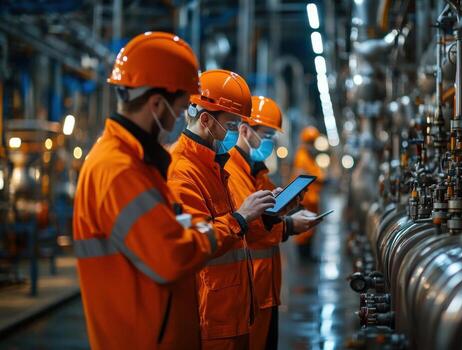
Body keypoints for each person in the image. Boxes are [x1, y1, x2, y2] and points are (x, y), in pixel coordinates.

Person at [73, 32, 242, 350]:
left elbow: (167, 233)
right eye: (179, 108)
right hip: (143, 339)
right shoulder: (119, 170)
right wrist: (234, 223)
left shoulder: (137, 161)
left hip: (157, 333)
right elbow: (172, 256)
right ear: (155, 103)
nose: (181, 116)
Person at [167, 70, 276, 350]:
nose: (235, 132)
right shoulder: (182, 171)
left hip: (233, 309)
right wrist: (241, 217)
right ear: (205, 119)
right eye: (231, 125)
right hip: (212, 316)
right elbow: (196, 243)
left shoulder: (213, 164)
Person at [226, 96, 322, 349]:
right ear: (245, 131)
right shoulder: (232, 172)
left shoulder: (258, 172)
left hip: (266, 287)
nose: (269, 142)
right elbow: (251, 229)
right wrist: (289, 225)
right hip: (249, 291)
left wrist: (286, 208)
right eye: (266, 135)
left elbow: (268, 216)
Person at [292, 126, 326, 261]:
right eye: (310, 142)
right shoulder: (302, 157)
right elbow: (301, 177)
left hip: (311, 199)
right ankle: (304, 256)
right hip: (305, 200)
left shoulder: (308, 157)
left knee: (309, 228)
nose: (312, 145)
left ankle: (308, 254)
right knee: (304, 230)